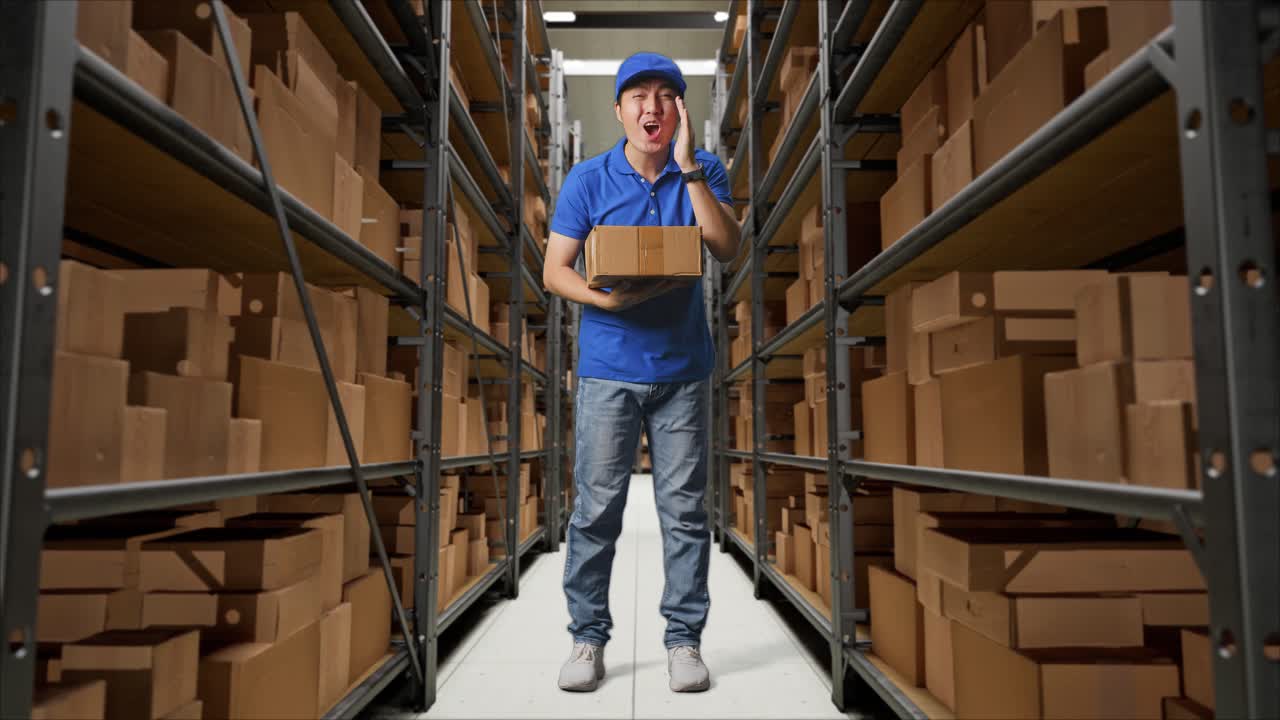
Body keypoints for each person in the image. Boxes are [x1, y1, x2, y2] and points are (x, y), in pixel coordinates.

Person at [543, 52, 741, 693]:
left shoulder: (703, 171)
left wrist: (688, 167)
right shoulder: (588, 179)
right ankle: (586, 639)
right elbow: (555, 270)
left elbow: (728, 246)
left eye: (665, 96)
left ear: (681, 109)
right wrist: (606, 300)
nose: (651, 108)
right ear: (619, 108)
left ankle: (684, 643)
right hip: (607, 370)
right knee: (596, 512)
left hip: (683, 369)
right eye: (638, 96)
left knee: (684, 515)